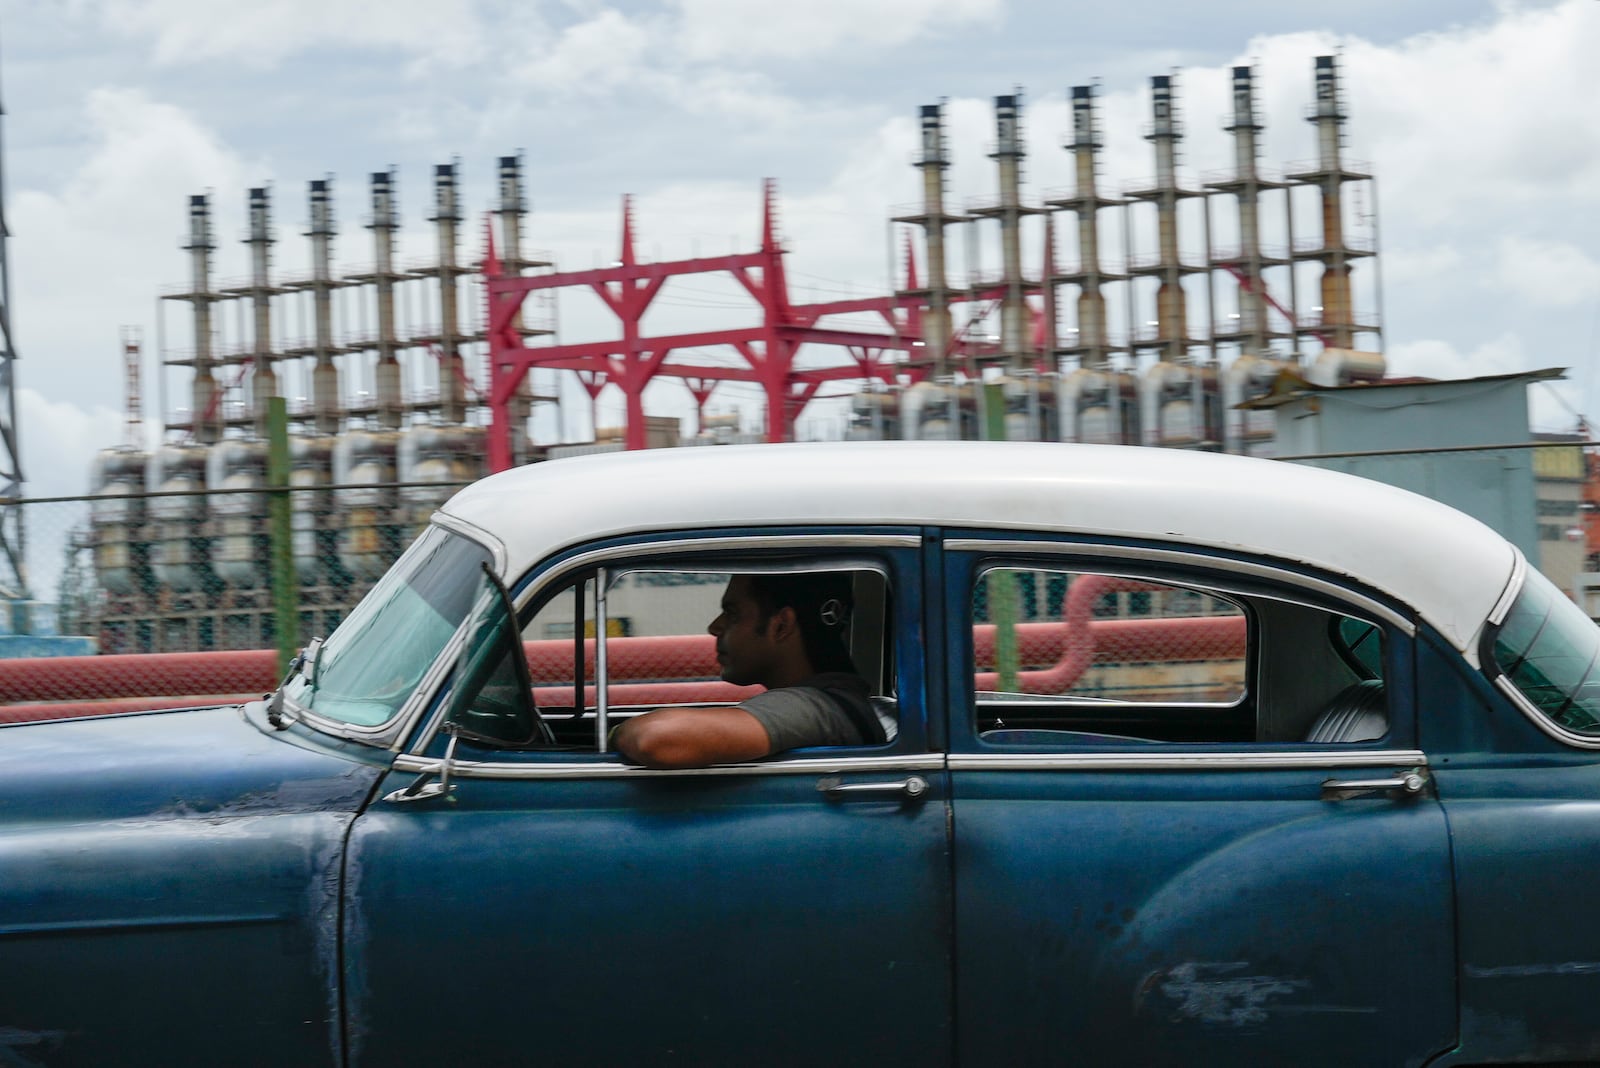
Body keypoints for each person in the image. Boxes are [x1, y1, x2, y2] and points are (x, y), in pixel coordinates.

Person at [611, 572, 888, 769]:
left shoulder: (817, 708)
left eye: (732, 614)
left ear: (781, 625)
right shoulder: (836, 701)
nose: (714, 627)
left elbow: (658, 738)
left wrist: (614, 735)